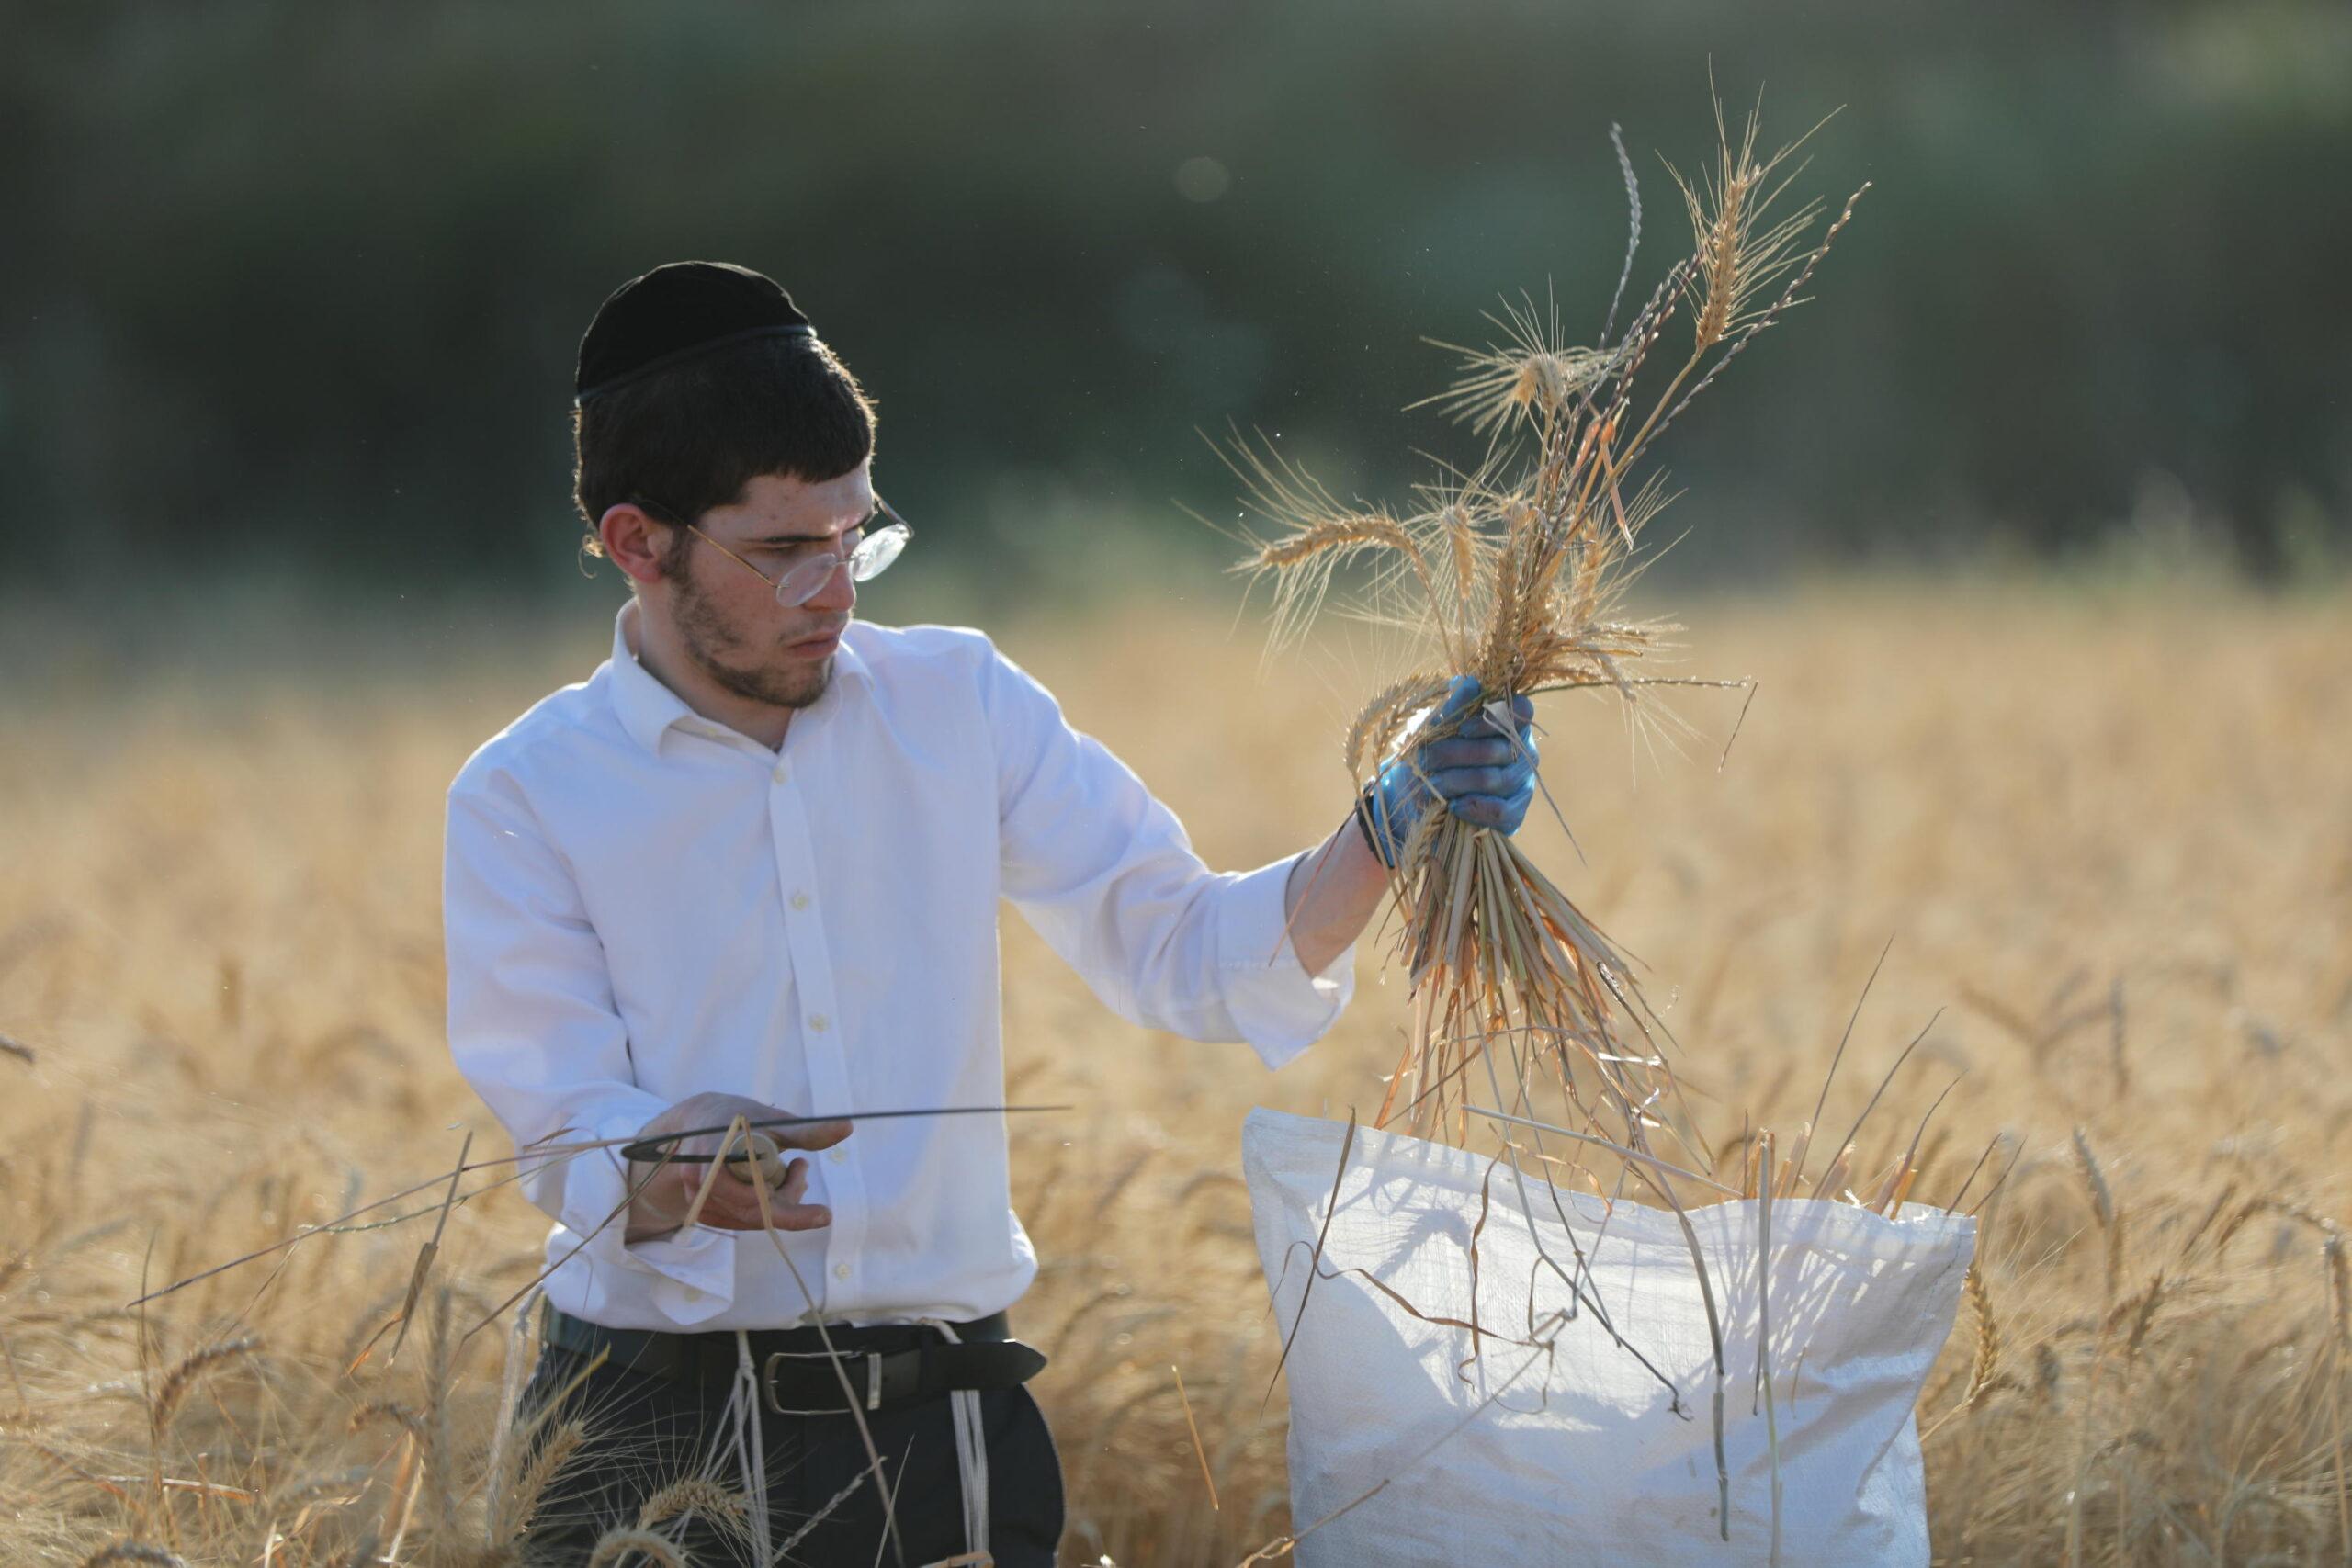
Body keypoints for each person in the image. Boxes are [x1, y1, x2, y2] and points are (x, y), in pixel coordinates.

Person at [441, 260, 1541, 1566]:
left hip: (941, 1443)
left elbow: (1186, 950)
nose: (835, 590)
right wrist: (663, 1161)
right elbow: (564, 1131)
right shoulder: (525, 792)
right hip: (636, 1446)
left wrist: (1389, 821)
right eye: (785, 550)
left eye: (856, 539)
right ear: (638, 543)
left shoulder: (960, 703)